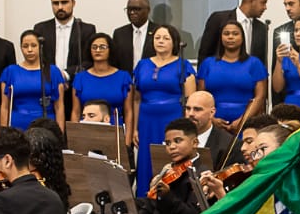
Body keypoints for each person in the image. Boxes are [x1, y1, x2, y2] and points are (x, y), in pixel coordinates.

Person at [131, 24, 194, 197]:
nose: (160, 41)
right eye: (157, 37)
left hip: (171, 118)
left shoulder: (183, 64)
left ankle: (169, 199)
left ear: (174, 42)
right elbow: (136, 98)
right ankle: (145, 201)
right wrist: (135, 127)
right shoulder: (142, 64)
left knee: (170, 156)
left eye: (165, 38)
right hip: (146, 120)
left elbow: (190, 98)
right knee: (145, 161)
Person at [32, 0, 97, 118]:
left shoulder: (85, 29)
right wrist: (53, 76)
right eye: (55, 3)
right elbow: (38, 59)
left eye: (64, 2)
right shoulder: (40, 29)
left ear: (73, 3)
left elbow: (88, 61)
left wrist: (66, 74)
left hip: (74, 88)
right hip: (48, 89)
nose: (60, 7)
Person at [198, 20, 267, 134]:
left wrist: (242, 120)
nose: (230, 37)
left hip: (246, 123)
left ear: (242, 37)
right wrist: (211, 119)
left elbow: (260, 96)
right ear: (221, 37)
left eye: (235, 34)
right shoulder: (208, 63)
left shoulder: (254, 63)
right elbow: (200, 97)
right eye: (226, 33)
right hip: (213, 123)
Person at [0, 29, 67, 131]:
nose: (29, 50)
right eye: (25, 46)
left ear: (40, 47)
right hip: (17, 125)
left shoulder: (53, 71)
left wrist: (60, 134)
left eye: (33, 45)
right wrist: (3, 133)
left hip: (46, 125)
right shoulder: (10, 71)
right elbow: (5, 107)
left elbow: (59, 107)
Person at [71, 32, 134, 137]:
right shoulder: (80, 78)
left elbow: (129, 112)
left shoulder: (123, 77)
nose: (98, 50)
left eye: (102, 47)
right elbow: (76, 112)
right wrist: (75, 137)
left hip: (115, 132)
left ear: (110, 50)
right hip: (86, 131)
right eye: (94, 47)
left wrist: (127, 141)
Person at [197, 0, 269, 65]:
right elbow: (205, 53)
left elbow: (261, 62)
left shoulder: (261, 28)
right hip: (220, 74)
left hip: (249, 76)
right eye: (263, 3)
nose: (265, 7)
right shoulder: (219, 19)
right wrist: (202, 76)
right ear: (251, 1)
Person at [110, 0, 158, 71]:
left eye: (137, 9)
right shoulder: (119, 33)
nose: (132, 12)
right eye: (129, 9)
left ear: (148, 10)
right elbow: (114, 61)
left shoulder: (158, 31)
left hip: (152, 80)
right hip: (126, 81)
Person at [183, 90, 236, 155]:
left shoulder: (230, 145)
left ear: (212, 112)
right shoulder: (175, 139)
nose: (190, 114)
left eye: (197, 109)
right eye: (188, 108)